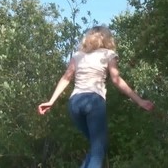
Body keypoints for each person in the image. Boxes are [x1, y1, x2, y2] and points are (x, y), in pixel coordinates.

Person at [37, 26, 154, 168]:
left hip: (74, 103)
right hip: (93, 101)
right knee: (99, 148)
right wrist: (139, 100)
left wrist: (51, 101)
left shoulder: (78, 55)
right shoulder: (109, 54)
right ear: (107, 38)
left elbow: (66, 77)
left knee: (97, 146)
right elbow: (116, 80)